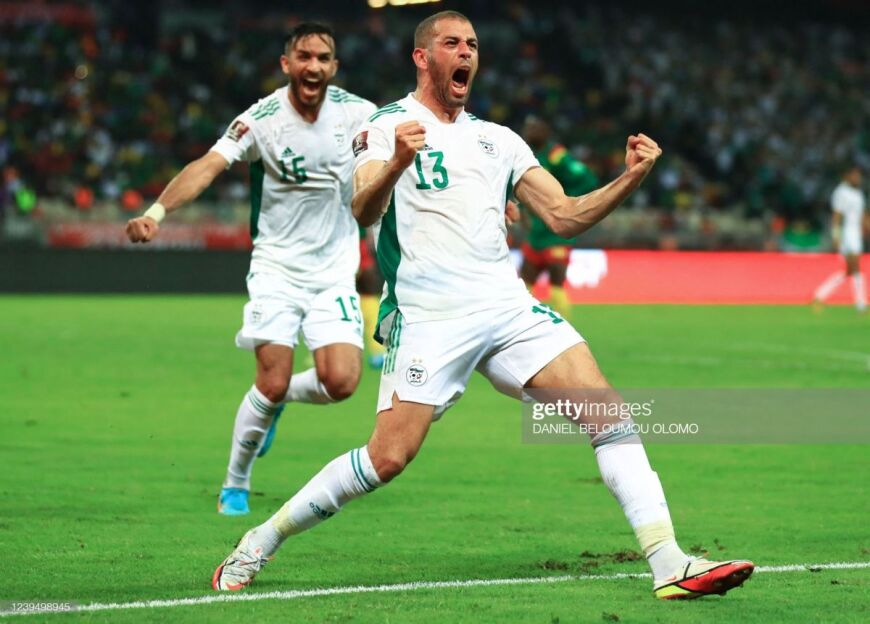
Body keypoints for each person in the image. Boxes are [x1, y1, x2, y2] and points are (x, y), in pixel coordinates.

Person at [212, 10, 753, 599]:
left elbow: (564, 215)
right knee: (387, 458)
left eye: (472, 44)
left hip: (506, 307)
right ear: (422, 57)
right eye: (452, 42)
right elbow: (362, 207)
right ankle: (261, 539)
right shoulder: (384, 125)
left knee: (608, 415)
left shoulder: (499, 140)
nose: (466, 52)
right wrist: (396, 164)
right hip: (429, 316)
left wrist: (631, 178)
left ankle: (668, 562)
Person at [126, 23, 376, 515]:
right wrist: (157, 212)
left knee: (342, 383)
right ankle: (235, 483)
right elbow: (208, 165)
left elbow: (409, 159)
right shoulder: (260, 119)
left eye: (323, 58)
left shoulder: (360, 113)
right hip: (277, 269)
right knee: (271, 379)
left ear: (334, 66)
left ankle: (280, 401)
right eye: (304, 56)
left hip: (333, 272)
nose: (313, 66)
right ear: (287, 64)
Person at [518, 115, 599, 320]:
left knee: (556, 284)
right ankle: (521, 327)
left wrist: (567, 202)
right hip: (537, 232)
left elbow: (587, 179)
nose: (528, 132)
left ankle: (565, 329)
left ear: (544, 132)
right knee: (522, 285)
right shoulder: (527, 154)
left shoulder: (556, 155)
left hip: (556, 234)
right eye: (527, 128)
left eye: (533, 128)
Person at [812, 166, 866, 312]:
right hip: (847, 232)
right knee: (855, 267)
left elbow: (862, 215)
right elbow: (836, 215)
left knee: (849, 270)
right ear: (847, 176)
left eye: (859, 176)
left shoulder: (858, 193)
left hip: (856, 232)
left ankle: (820, 294)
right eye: (855, 175)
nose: (858, 178)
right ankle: (861, 304)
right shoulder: (841, 192)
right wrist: (836, 235)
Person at [356, 225, 387, 369]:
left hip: (356, 243)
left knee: (369, 298)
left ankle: (378, 352)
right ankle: (378, 352)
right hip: (351, 243)